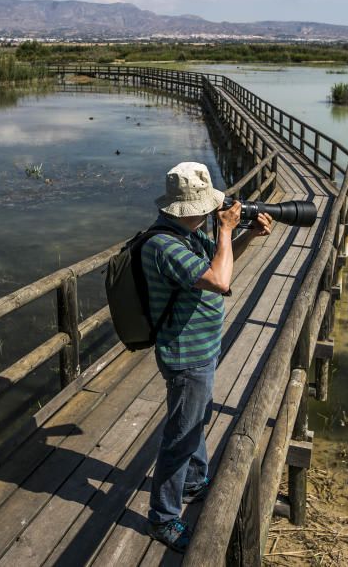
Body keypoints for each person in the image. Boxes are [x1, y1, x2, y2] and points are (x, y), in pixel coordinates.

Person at [142, 161, 272, 553]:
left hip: (202, 349)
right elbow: (220, 281)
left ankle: (195, 483)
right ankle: (163, 519)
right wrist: (228, 230)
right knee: (180, 436)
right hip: (185, 355)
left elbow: (218, 269)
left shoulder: (188, 233)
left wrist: (243, 235)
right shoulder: (163, 244)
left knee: (196, 419)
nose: (212, 213)